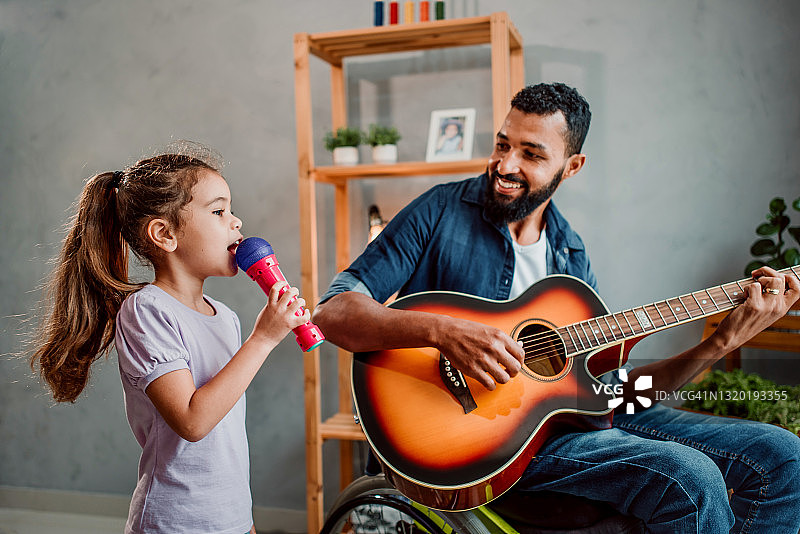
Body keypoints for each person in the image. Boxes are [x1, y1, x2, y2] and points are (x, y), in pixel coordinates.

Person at [313, 83, 800, 533]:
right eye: (503, 144)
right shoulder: (439, 211)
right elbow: (332, 313)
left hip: (571, 428)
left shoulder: (571, 258)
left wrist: (721, 343)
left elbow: (619, 398)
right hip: (492, 449)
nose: (505, 165)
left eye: (530, 154)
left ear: (571, 167)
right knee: (689, 479)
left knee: (783, 456)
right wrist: (444, 332)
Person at [30, 149, 310, 534]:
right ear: (165, 234)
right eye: (218, 211)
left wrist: (242, 520)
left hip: (229, 517)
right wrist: (263, 339)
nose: (236, 221)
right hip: (174, 521)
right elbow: (193, 422)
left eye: (231, 210)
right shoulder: (146, 311)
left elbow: (224, 439)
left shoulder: (225, 317)